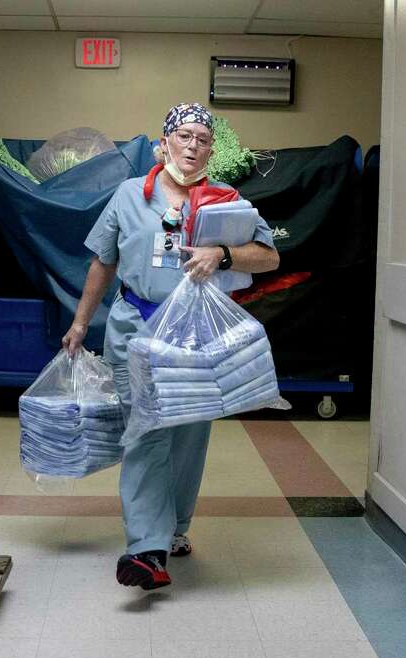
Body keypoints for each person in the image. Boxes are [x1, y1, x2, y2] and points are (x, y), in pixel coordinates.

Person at [62, 102, 279, 591]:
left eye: (202, 139)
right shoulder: (128, 196)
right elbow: (103, 262)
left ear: (210, 150)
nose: (192, 146)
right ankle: (146, 547)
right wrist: (80, 323)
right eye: (183, 137)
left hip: (198, 337)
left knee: (188, 435)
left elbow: (269, 256)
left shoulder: (226, 201)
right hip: (136, 329)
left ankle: (176, 527)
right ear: (163, 144)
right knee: (145, 432)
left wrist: (221, 254)